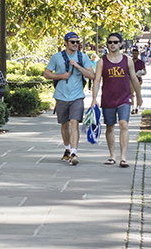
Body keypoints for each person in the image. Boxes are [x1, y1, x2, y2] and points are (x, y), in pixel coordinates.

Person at [47, 31, 97, 164]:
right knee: (64, 125)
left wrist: (77, 66)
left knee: (74, 123)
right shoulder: (56, 57)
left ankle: (74, 153)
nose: (75, 44)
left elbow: (92, 76)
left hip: (77, 96)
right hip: (61, 96)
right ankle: (67, 149)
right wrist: (61, 76)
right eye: (72, 42)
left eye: (77, 42)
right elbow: (46, 73)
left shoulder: (83, 57)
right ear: (65, 43)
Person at [96, 32, 140, 167]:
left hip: (124, 98)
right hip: (108, 99)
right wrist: (93, 98)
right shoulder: (102, 61)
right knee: (110, 127)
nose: (112, 44)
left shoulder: (127, 60)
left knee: (124, 125)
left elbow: (134, 79)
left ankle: (123, 157)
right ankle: (112, 155)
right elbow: (97, 80)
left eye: (115, 42)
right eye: (110, 42)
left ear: (121, 44)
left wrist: (139, 96)